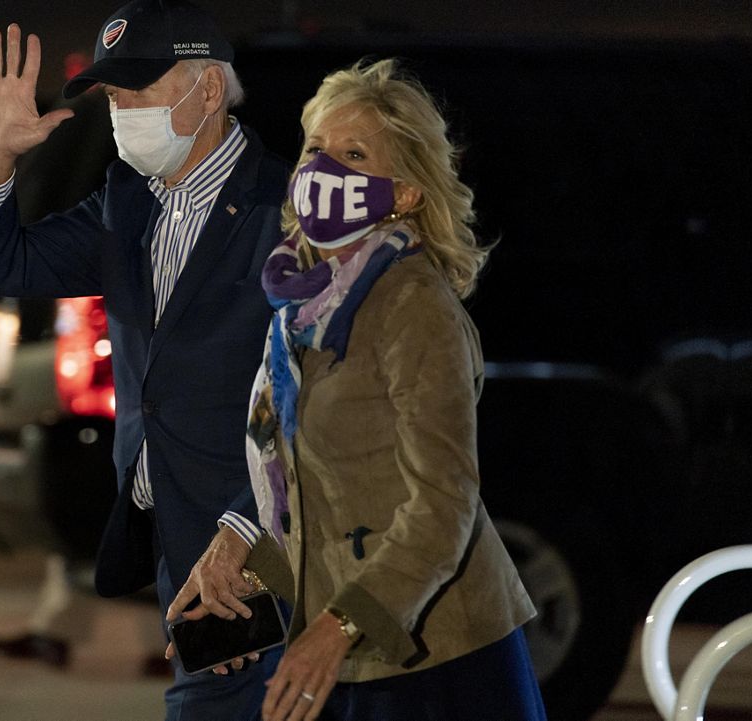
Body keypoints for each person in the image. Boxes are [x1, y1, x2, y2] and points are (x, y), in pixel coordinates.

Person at [0, 1, 290, 716]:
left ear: (206, 91)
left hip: (254, 543)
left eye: (139, 88)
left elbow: (319, 397)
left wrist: (246, 532)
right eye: (112, 94)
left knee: (218, 705)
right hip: (174, 536)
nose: (121, 109)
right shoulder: (130, 202)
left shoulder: (284, 209)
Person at [234, 59, 547, 720]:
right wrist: (246, 572)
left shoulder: (411, 303)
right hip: (349, 645)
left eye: (354, 154)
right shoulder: (301, 303)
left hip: (435, 657)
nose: (325, 170)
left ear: (405, 193)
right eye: (317, 149)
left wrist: (337, 627)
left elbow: (444, 503)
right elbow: (310, 486)